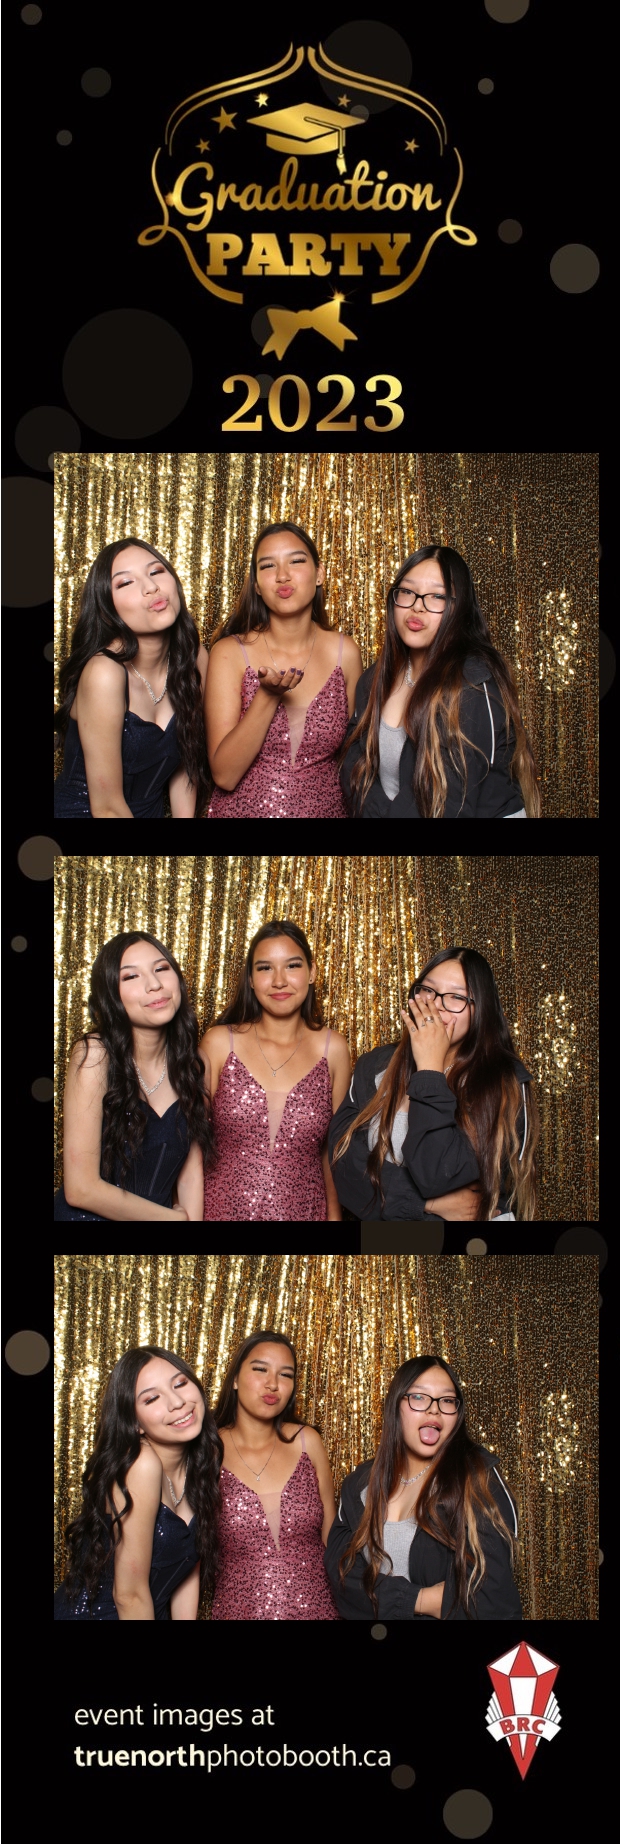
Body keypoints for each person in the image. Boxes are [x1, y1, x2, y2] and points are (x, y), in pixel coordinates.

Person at [328, 947, 539, 1220]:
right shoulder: (376, 1064)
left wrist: (429, 1068)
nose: (436, 1005)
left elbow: (438, 1175)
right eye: (428, 990)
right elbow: (342, 1165)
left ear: (481, 1009)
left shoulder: (504, 1084)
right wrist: (426, 1204)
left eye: (456, 996)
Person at [338, 545, 540, 817]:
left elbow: (449, 803)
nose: (417, 606)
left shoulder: (473, 684)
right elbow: (353, 762)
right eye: (407, 592)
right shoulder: (374, 679)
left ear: (459, 608)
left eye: (436, 596)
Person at [324, 1355, 522, 1620]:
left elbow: (493, 1598)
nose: (434, 1410)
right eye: (419, 1397)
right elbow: (342, 1576)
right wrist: (419, 1599)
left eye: (447, 1400)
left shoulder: (478, 1479)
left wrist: (389, 1598)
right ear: (396, 1406)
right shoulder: (360, 1483)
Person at [205, 520, 363, 817]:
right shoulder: (229, 653)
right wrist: (267, 696)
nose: (282, 575)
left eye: (296, 561)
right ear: (256, 585)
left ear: (319, 574)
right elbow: (224, 776)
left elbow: (356, 757)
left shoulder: (345, 653)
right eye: (268, 566)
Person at [199, 918, 352, 1221]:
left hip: (306, 1214)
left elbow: (334, 1153)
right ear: (251, 979)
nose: (279, 980)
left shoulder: (333, 1049)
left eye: (292, 966)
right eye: (265, 968)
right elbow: (191, 1142)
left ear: (312, 973)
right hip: (219, 1212)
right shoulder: (219, 1043)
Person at [54, 1346, 223, 1619]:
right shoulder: (140, 1464)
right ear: (135, 1423)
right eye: (152, 1398)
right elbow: (128, 1596)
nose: (177, 1402)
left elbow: (189, 1562)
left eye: (180, 1383)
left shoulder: (204, 1458)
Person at [54, 932, 213, 1220]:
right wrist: (172, 1219)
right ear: (110, 995)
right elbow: (80, 1189)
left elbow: (190, 1174)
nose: (154, 984)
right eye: (131, 976)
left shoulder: (193, 1064)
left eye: (161, 969)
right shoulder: (95, 1054)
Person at [54, 537, 210, 817]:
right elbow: (108, 808)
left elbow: (187, 759)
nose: (151, 587)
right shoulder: (104, 672)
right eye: (126, 582)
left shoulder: (194, 656)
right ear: (106, 607)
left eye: (156, 571)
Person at [211, 1331, 339, 1619]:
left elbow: (332, 1538)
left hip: (318, 1611)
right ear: (234, 1378)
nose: (273, 1384)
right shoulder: (208, 1452)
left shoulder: (307, 1442)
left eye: (286, 1375)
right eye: (260, 1369)